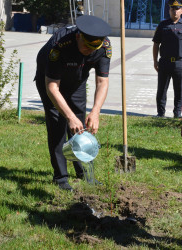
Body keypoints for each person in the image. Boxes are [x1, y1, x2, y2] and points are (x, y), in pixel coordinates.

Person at [35, 15, 112, 191]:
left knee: (80, 123)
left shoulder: (104, 46)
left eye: (94, 48)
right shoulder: (59, 46)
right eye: (86, 46)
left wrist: (96, 111)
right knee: (58, 124)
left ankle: (83, 172)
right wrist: (68, 116)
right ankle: (61, 178)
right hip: (50, 80)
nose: (89, 51)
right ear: (78, 36)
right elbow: (52, 87)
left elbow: (102, 81)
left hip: (77, 80)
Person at [152, 0, 182, 118]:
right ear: (169, 10)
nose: (175, 11)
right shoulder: (162, 25)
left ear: (181, 10)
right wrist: (155, 61)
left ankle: (177, 114)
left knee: (179, 91)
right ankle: (160, 113)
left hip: (180, 63)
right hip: (164, 63)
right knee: (161, 90)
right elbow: (156, 44)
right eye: (172, 9)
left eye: (177, 9)